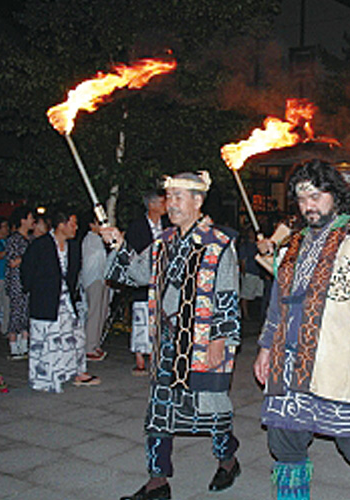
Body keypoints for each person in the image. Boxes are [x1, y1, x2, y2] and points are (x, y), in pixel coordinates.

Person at [252, 160, 350, 500]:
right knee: (283, 439)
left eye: (316, 195)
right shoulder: (292, 245)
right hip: (287, 361)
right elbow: (278, 300)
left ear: (334, 196)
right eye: (302, 198)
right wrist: (265, 346)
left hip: (333, 361)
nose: (309, 205)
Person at [102, 171, 241, 500]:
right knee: (159, 412)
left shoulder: (218, 243)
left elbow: (227, 291)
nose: (172, 204)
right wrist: (119, 245)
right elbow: (132, 274)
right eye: (170, 196)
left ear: (198, 201)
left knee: (212, 410)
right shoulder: (163, 241)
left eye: (180, 197)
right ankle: (157, 481)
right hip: (167, 342)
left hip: (204, 342)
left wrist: (220, 338)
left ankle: (228, 460)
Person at [21, 208, 99, 393]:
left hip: (67, 300)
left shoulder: (73, 246)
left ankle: (77, 372)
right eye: (72, 223)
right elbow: (27, 273)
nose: (75, 227)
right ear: (61, 225)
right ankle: (46, 378)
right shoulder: (40, 245)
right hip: (46, 300)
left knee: (75, 336)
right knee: (48, 339)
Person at [125, 188, 167, 376]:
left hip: (163, 278)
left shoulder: (168, 224)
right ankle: (140, 356)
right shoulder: (137, 226)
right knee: (142, 316)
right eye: (162, 202)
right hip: (143, 277)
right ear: (151, 205)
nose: (166, 205)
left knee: (160, 317)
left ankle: (158, 355)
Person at [4, 206, 34, 360]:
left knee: (26, 313)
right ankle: (14, 347)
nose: (33, 221)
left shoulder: (30, 239)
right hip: (17, 281)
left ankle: (24, 346)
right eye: (30, 217)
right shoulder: (14, 239)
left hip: (28, 281)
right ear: (23, 220)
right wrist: (26, 260)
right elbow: (12, 262)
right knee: (16, 313)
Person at [81, 216, 110, 361]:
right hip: (94, 279)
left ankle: (96, 343)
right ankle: (89, 346)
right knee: (94, 312)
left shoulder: (98, 239)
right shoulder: (90, 239)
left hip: (102, 279)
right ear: (92, 224)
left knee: (102, 312)